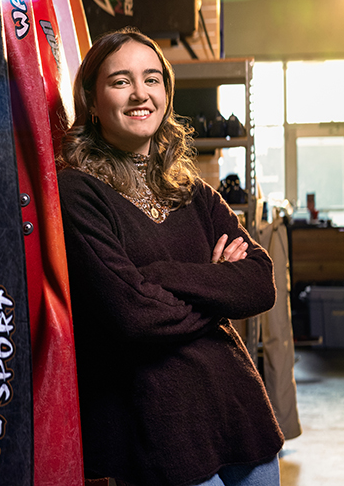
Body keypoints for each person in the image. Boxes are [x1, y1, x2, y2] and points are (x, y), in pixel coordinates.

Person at [57, 27, 284, 486]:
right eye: (120, 81)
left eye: (152, 79)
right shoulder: (77, 192)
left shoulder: (193, 192)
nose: (140, 93)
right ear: (92, 101)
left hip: (239, 414)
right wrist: (217, 282)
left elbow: (260, 282)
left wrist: (161, 276)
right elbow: (135, 316)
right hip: (158, 431)